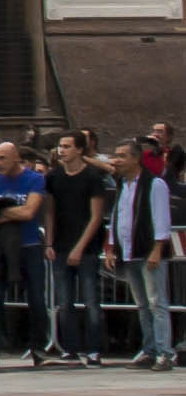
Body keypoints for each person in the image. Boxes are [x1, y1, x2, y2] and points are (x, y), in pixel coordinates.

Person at [0, 140, 49, 369]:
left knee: (36, 299)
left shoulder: (34, 179)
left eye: (2, 158)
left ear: (16, 157)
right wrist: (10, 213)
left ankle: (38, 348)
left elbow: (29, 212)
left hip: (28, 246)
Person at [44, 133, 114, 364]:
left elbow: (96, 217)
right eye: (60, 146)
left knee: (91, 300)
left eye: (67, 146)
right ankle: (70, 348)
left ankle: (93, 349)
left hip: (87, 247)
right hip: (61, 244)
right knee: (64, 302)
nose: (62, 150)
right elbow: (50, 211)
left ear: (79, 150)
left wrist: (79, 247)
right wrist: (50, 242)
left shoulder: (92, 177)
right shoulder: (54, 177)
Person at [105, 139, 175, 369]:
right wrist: (112, 246)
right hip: (129, 250)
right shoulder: (122, 184)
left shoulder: (154, 184)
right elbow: (118, 216)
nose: (117, 160)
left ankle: (165, 352)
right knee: (142, 304)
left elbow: (162, 219)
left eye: (122, 155)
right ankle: (148, 349)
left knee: (157, 303)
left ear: (136, 159)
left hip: (148, 251)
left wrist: (157, 249)